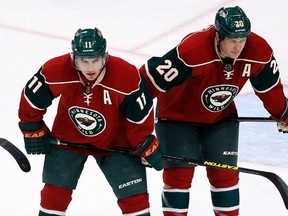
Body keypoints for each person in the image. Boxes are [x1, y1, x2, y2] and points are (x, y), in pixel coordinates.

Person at [139, 6, 288, 216]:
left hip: (220, 117)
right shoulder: (192, 51)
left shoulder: (259, 51)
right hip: (176, 117)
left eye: (242, 40)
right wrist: (139, 134)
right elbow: (146, 84)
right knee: (178, 180)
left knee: (225, 177)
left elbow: (270, 89)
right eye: (232, 41)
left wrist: (283, 112)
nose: (238, 47)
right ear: (218, 36)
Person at [18, 27, 163, 216]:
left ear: (105, 56)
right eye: (84, 61)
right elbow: (32, 98)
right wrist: (32, 127)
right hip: (68, 139)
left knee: (134, 199)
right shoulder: (56, 70)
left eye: (96, 60)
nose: (90, 68)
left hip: (116, 143)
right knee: (53, 196)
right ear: (74, 58)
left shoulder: (126, 76)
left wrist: (144, 142)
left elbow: (139, 113)